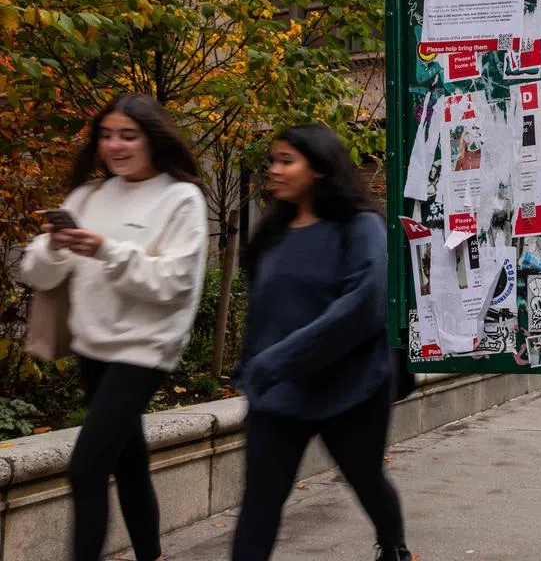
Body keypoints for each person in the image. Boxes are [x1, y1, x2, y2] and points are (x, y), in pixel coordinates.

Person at [20, 94, 208, 561]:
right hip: (92, 347)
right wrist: (58, 248)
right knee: (129, 463)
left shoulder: (180, 197)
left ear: (152, 138)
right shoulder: (86, 196)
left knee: (86, 468)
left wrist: (106, 249)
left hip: (145, 351)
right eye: (106, 136)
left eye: (128, 135)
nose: (115, 146)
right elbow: (36, 276)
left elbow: (175, 284)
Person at [232, 123, 410, 561]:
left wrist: (277, 359)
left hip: (351, 389)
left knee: (366, 480)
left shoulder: (361, 227)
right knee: (259, 504)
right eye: (273, 160)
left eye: (286, 161)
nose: (273, 170)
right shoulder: (272, 235)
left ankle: (393, 547)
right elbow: (264, 313)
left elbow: (364, 307)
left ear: (319, 169)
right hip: (279, 394)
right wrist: (253, 366)